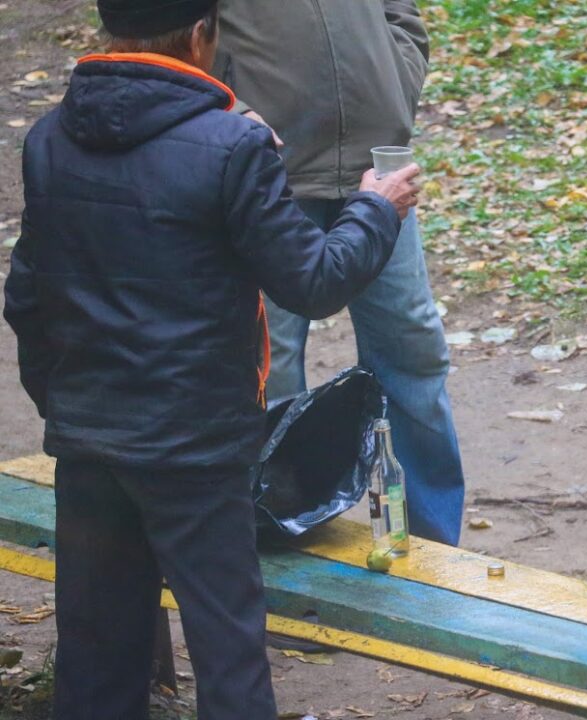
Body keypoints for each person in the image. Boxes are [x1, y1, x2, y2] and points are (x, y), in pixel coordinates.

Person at [2, 0, 421, 716]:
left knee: (96, 651)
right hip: (195, 447)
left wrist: (67, 404)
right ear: (201, 36)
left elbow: (26, 299)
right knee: (227, 649)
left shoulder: (48, 138)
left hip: (87, 440)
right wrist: (376, 209)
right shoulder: (231, 145)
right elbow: (314, 282)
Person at [213, 0, 466, 546]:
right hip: (268, 176)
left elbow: (400, 13)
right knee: (272, 367)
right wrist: (231, 110)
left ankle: (433, 549)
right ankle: (277, 541)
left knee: (414, 350)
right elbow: (165, 27)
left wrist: (394, 84)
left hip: (376, 174)